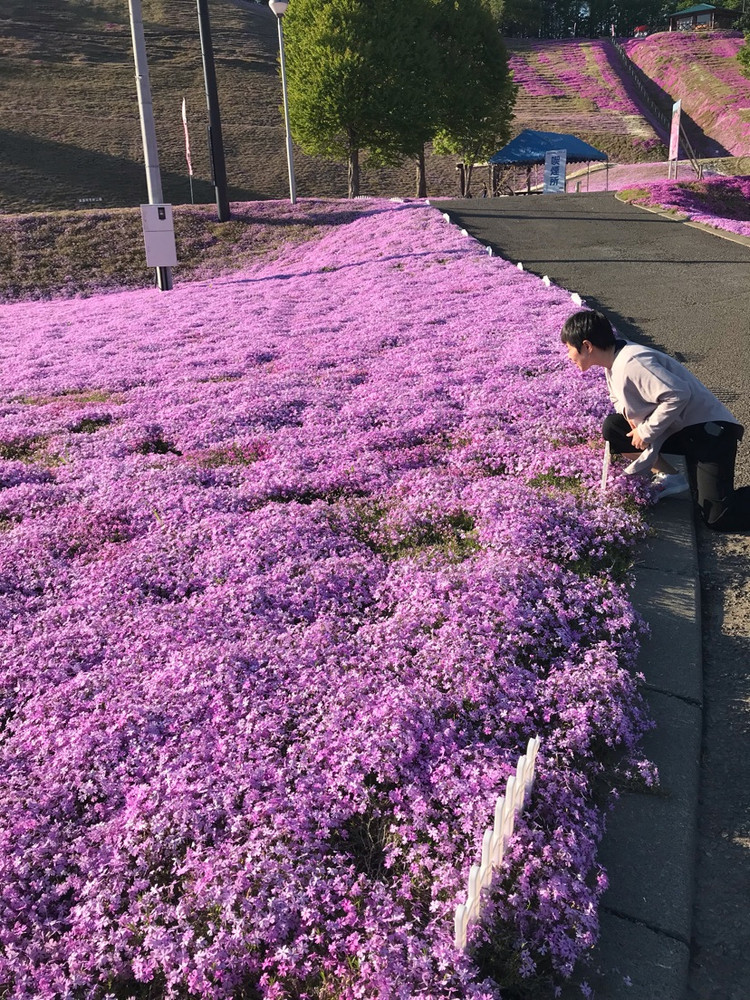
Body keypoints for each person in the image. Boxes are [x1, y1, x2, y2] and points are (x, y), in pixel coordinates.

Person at [560, 309, 750, 532]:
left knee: (717, 519)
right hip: (682, 430)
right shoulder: (612, 362)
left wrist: (646, 431)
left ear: (587, 346)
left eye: (569, 348)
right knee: (614, 427)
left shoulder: (633, 362)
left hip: (711, 434)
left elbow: (679, 394)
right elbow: (616, 398)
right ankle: (671, 476)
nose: (568, 355)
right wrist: (629, 416)